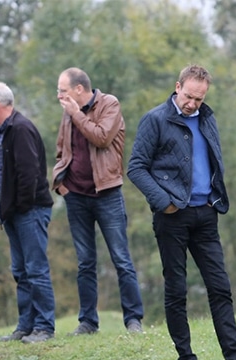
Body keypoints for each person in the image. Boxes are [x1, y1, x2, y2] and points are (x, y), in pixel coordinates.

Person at [127, 64, 236, 360]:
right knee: (177, 290)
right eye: (188, 96)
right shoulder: (155, 120)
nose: (192, 103)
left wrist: (215, 196)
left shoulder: (208, 118)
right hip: (172, 217)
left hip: (206, 214)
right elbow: (136, 168)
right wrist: (164, 203)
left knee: (221, 287)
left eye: (199, 98)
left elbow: (213, 161)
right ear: (177, 86)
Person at [52, 67, 144, 335]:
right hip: (76, 196)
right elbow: (61, 149)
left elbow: (101, 137)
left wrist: (76, 114)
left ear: (79, 89)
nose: (59, 96)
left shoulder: (109, 104)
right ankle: (88, 322)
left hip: (107, 194)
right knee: (85, 262)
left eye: (63, 90)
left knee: (121, 259)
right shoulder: (69, 113)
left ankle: (133, 320)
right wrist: (62, 185)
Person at [0, 82, 57, 344]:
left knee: (36, 270)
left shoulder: (21, 129)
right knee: (20, 271)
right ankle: (25, 326)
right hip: (12, 214)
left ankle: (44, 328)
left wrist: (19, 207)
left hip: (30, 211)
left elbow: (29, 174)